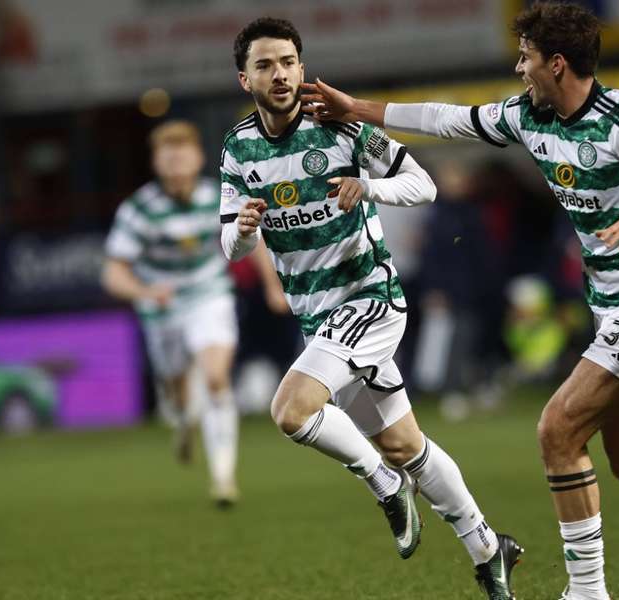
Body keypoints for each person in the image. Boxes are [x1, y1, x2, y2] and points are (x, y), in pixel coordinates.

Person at [301, 3, 619, 599]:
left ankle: (586, 593)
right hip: (613, 305)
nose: (518, 68)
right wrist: (356, 108)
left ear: (556, 64)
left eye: (525, 58)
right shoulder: (527, 116)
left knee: (557, 430)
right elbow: (447, 119)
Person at [219, 17, 523, 599]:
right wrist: (244, 230)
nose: (279, 74)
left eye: (287, 61)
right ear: (244, 78)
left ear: (302, 68)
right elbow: (228, 240)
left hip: (370, 300)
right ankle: (489, 548)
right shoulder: (238, 149)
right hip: (318, 318)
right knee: (406, 444)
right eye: (265, 65)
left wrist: (371, 188)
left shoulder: (340, 127)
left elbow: (424, 185)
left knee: (291, 410)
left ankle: (385, 486)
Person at [102, 120, 285, 507]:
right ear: (157, 163)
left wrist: (272, 286)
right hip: (161, 307)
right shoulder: (139, 210)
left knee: (216, 378)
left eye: (183, 156)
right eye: (168, 158)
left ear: (198, 157)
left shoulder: (217, 196)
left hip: (209, 296)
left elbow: (254, 238)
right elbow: (113, 272)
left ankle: (223, 477)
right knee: (179, 395)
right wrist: (145, 291)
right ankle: (185, 421)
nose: (177, 164)